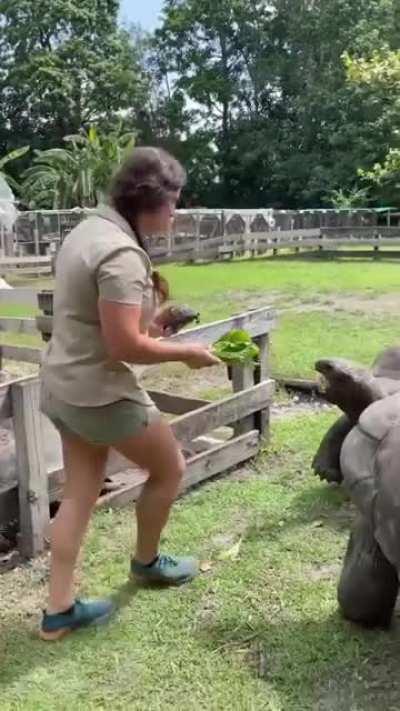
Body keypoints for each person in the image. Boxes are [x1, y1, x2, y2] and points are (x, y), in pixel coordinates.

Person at [39, 147, 220, 641]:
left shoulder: (89, 229)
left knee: (78, 494)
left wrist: (155, 326)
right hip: (100, 394)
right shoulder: (121, 252)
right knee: (170, 468)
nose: (176, 214)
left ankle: (59, 610)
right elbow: (122, 346)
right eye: (173, 203)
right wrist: (184, 352)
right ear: (150, 201)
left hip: (62, 387)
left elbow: (100, 323)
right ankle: (146, 562)